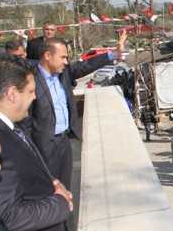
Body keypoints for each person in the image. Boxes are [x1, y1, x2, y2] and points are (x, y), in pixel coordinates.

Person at [0, 53, 73, 231]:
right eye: (30, 91)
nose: (35, 97)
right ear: (11, 94)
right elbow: (9, 215)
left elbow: (22, 171)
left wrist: (51, 181)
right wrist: (61, 203)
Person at [26, 32, 128, 192]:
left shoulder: (63, 73)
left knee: (66, 187)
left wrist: (113, 54)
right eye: (63, 57)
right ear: (47, 55)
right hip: (43, 145)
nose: (66, 62)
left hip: (65, 141)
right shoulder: (29, 79)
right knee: (49, 189)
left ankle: (65, 214)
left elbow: (86, 66)